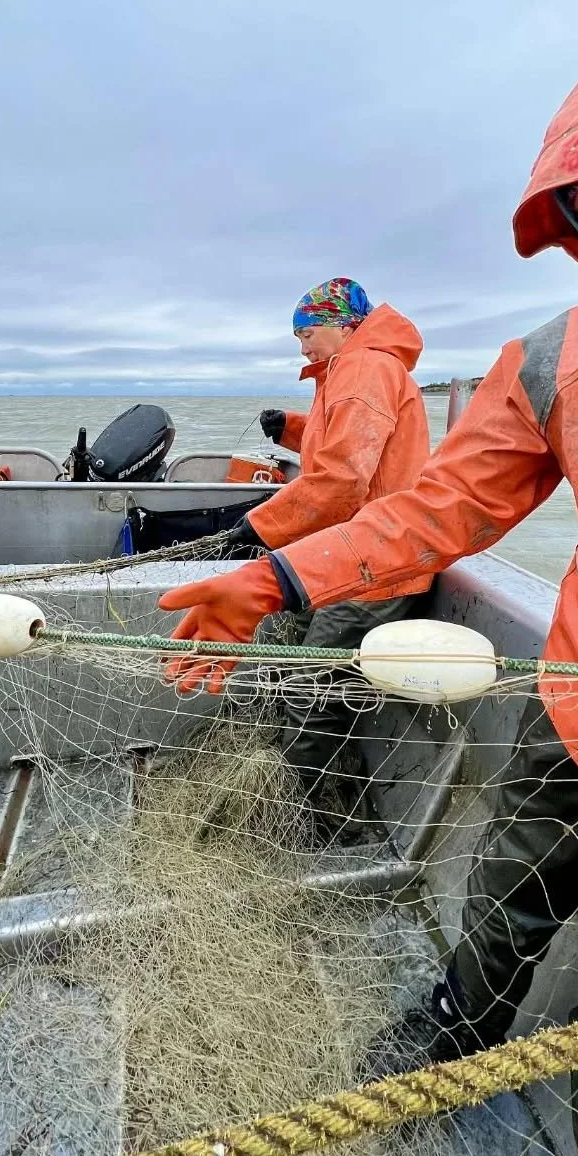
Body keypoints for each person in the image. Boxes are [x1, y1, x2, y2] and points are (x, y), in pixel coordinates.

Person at [159, 0, 578, 1156]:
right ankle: (460, 1023)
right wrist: (278, 577)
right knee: (508, 884)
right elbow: (439, 505)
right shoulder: (561, 356)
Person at [214, 277, 432, 818]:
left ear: (344, 325)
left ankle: (299, 818)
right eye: (298, 337)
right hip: (351, 555)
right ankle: (309, 799)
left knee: (311, 690)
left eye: (308, 332)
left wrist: (263, 525)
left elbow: (341, 480)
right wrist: (289, 428)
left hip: (374, 564)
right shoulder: (356, 368)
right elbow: (345, 438)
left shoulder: (364, 368)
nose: (302, 346)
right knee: (304, 677)